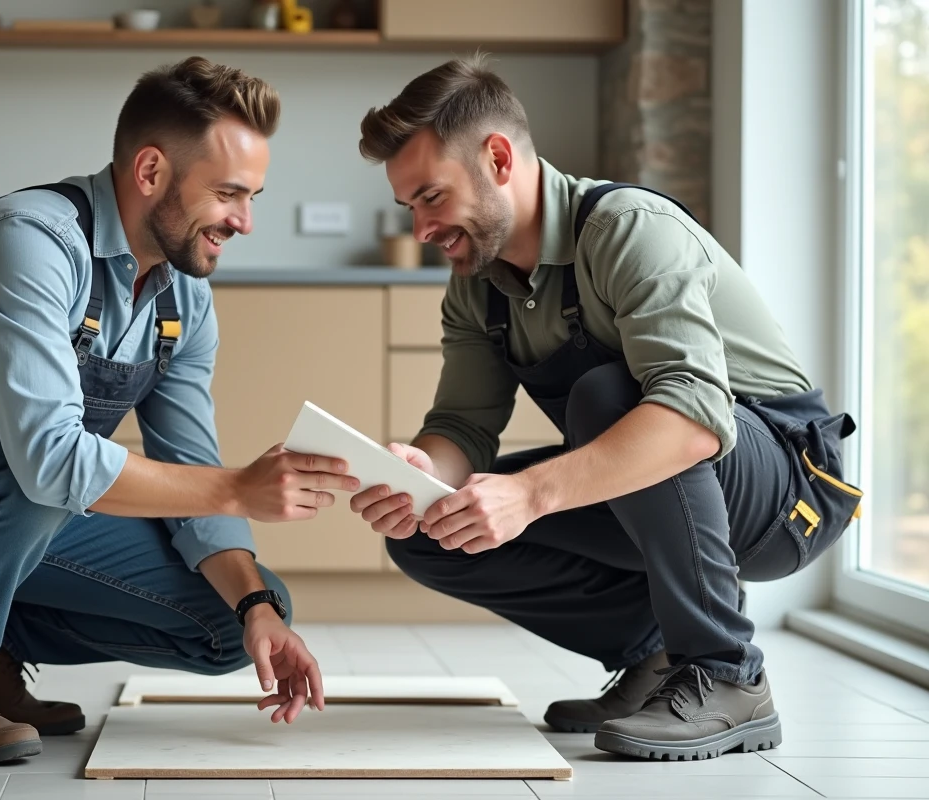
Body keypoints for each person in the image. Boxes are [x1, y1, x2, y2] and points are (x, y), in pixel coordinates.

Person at [0, 57, 352, 766]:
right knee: (25, 463)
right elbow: (50, 458)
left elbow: (190, 472)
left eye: (253, 196)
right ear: (150, 172)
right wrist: (240, 486)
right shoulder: (28, 241)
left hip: (21, 506)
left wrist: (256, 609)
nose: (244, 221)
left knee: (234, 613)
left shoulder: (183, 299)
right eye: (229, 194)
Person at [349, 55, 864, 761]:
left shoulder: (628, 229)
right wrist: (420, 473)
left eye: (431, 197)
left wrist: (529, 493)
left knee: (609, 397)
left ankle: (726, 672)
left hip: (788, 486)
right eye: (409, 207)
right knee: (431, 528)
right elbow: (463, 427)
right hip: (663, 488)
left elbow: (690, 420)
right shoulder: (477, 285)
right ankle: (654, 654)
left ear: (498, 158)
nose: (422, 227)